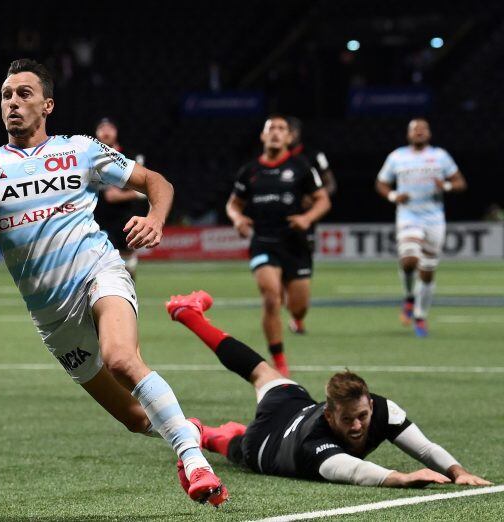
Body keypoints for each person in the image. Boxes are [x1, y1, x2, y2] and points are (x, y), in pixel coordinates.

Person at [0, 59, 227, 506]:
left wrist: (156, 217)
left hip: (99, 272)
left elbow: (154, 181)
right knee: (136, 419)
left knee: (122, 358)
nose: (13, 103)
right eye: (6, 95)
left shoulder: (80, 150)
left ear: (48, 104)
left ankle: (194, 462)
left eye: (24, 94)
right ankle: (191, 430)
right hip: (52, 316)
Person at [165, 290, 492, 488]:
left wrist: (457, 471)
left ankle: (189, 314)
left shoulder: (382, 409)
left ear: (371, 407)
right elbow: (356, 471)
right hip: (267, 441)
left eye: (362, 416)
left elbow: (424, 449)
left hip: (293, 404)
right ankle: (205, 433)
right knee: (236, 445)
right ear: (329, 413)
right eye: (347, 419)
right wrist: (402, 477)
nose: (357, 425)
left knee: (264, 372)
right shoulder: (314, 446)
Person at [226, 116, 330, 377]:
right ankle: (279, 359)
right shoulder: (249, 171)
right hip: (263, 242)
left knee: (298, 307)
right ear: (262, 136)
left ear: (289, 138)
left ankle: (295, 314)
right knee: (271, 298)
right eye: (270, 128)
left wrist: (307, 218)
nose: (275, 133)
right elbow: (233, 204)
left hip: (295, 244)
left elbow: (323, 200)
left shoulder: (301, 168)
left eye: (281, 129)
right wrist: (238, 219)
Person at [375, 118, 467, 337]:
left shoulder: (440, 156)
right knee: (409, 261)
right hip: (408, 216)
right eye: (415, 129)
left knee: (427, 271)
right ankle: (409, 296)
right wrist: (394, 195)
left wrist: (445, 185)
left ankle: (420, 315)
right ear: (408, 134)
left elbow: (460, 183)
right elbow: (381, 182)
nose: (419, 132)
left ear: (429, 133)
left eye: (423, 128)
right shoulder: (397, 157)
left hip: (434, 219)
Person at [286, 116, 336, 334]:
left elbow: (330, 183)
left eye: (291, 131)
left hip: (306, 218)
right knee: (277, 266)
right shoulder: (269, 157)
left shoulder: (313, 156)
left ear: (296, 133)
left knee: (301, 265)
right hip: (277, 218)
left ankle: (297, 312)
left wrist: (316, 199)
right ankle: (290, 312)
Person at [92, 117, 147, 280]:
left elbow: (144, 188)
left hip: (124, 216)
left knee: (127, 259)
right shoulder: (90, 157)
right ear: (96, 133)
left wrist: (127, 194)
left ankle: (129, 293)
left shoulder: (130, 156)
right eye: (102, 128)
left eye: (110, 128)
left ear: (116, 132)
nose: (106, 132)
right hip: (95, 215)